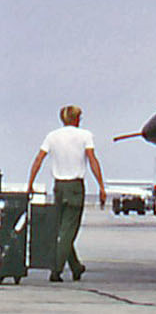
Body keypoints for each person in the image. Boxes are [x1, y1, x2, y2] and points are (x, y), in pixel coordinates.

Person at [26, 105, 107, 282]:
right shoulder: (85, 135)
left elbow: (39, 158)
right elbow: (92, 160)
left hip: (59, 186)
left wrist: (30, 182)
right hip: (75, 187)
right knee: (69, 230)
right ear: (76, 118)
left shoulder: (52, 136)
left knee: (62, 228)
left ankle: (76, 267)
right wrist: (101, 186)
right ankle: (56, 269)